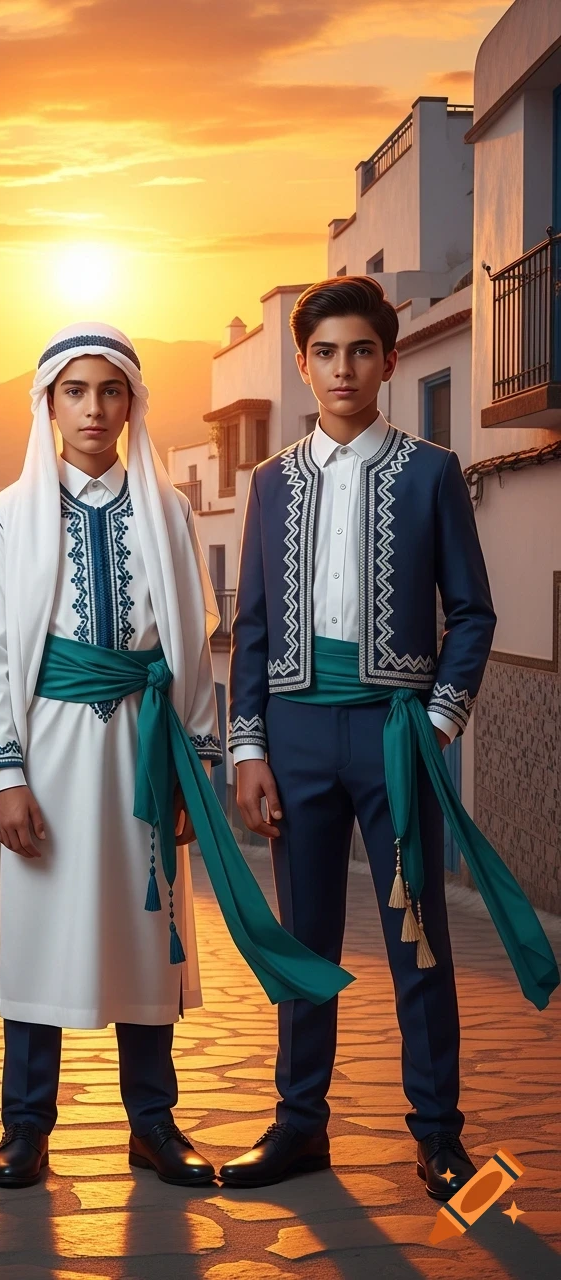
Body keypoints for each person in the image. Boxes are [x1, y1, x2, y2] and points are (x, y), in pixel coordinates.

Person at [0, 322, 353, 1190]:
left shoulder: (166, 509)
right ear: (48, 404)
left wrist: (193, 768)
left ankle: (153, 1123)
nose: (94, 409)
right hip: (47, 750)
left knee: (150, 933)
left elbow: (189, 644)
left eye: (111, 391)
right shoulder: (13, 511)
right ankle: (25, 1126)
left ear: (132, 402)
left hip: (144, 746)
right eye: (75, 391)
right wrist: (6, 774)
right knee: (37, 933)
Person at [221, 276, 558, 1197]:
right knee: (305, 939)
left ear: (390, 361)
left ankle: (438, 1135)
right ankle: (299, 1125)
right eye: (326, 353)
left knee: (420, 939)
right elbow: (251, 626)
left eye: (361, 351)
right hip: (294, 734)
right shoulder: (269, 482)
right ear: (303, 364)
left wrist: (438, 723)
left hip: (395, 735)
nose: (344, 369)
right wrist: (247, 748)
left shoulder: (432, 472)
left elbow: (474, 614)